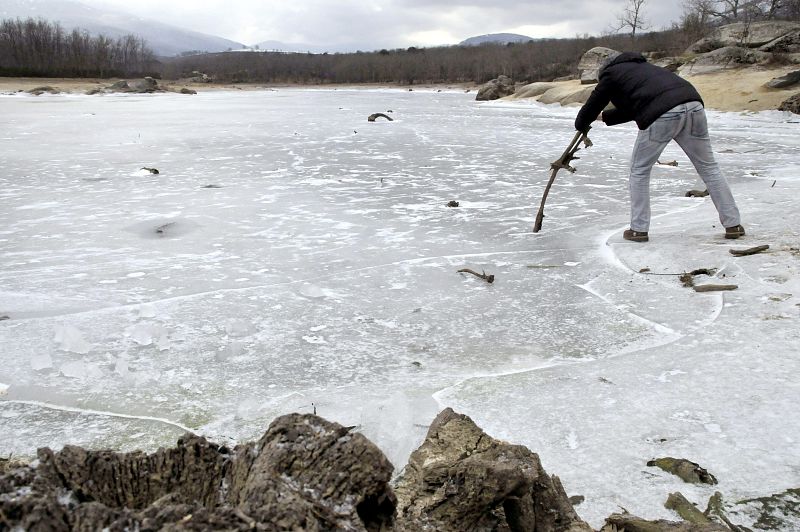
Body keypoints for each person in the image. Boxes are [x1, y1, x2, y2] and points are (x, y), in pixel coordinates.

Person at [574, 51, 745, 242]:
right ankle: (733, 224)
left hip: (664, 114)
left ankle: (638, 229)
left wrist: (581, 124)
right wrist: (603, 118)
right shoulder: (646, 70)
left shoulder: (611, 73)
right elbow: (638, 107)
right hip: (693, 104)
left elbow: (595, 102)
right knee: (709, 167)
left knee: (639, 170)